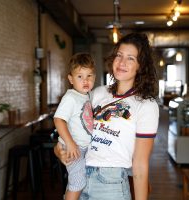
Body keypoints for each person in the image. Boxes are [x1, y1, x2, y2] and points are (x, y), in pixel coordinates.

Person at [55, 32, 159, 200]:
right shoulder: (95, 93)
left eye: (130, 58)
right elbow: (73, 131)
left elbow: (140, 164)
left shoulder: (146, 105)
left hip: (110, 185)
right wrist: (59, 150)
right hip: (79, 177)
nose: (122, 62)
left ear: (141, 66)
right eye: (119, 55)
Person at [53, 52, 96, 200]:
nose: (85, 80)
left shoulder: (88, 96)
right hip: (73, 147)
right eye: (80, 76)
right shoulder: (70, 97)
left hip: (83, 148)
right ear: (71, 79)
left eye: (89, 76)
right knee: (77, 181)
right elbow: (58, 120)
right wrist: (70, 144)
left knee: (82, 181)